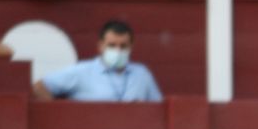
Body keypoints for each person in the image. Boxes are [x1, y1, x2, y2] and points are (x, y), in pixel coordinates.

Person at [32, 19, 163, 102]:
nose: (118, 50)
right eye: (112, 45)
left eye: (123, 46)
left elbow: (158, 107)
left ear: (131, 47)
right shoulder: (82, 71)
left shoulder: (142, 74)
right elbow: (39, 87)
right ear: (101, 46)